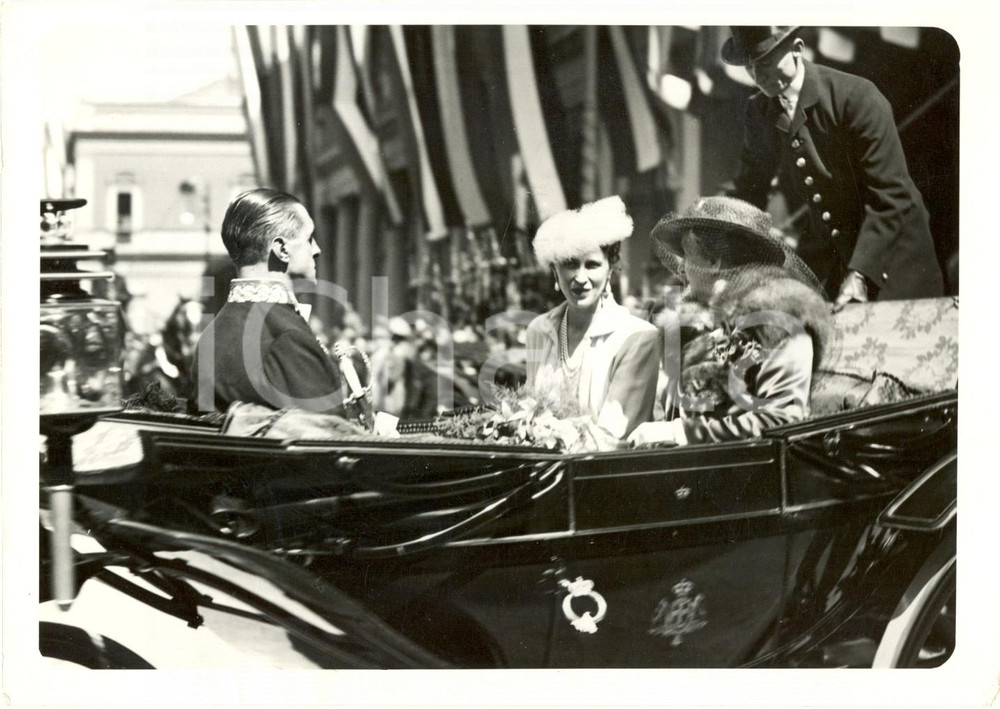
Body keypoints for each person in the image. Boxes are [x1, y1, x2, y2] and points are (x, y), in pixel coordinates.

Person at [722, 26, 944, 303]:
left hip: (893, 256)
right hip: (832, 254)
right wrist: (714, 236)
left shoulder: (857, 96)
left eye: (765, 62)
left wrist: (861, 273)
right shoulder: (759, 110)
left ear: (797, 49)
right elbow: (749, 188)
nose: (757, 76)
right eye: (749, 67)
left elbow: (892, 196)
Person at [628, 196, 833, 447]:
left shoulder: (779, 323)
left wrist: (681, 433)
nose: (681, 269)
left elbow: (781, 420)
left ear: (714, 262)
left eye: (687, 256)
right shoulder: (700, 326)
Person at [190, 188, 345, 415]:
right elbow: (330, 430)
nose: (317, 250)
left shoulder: (211, 334)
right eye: (309, 239)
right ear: (282, 249)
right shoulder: (285, 335)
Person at [526, 195, 662, 441]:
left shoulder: (637, 338)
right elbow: (528, 414)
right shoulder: (539, 330)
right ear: (554, 270)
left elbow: (614, 437)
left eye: (591, 265)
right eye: (570, 264)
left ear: (610, 268)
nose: (580, 278)